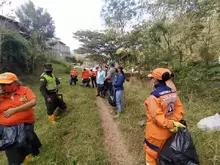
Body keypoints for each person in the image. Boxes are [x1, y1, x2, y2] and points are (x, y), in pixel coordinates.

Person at [145, 68, 185, 165]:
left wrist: (169, 124)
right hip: (170, 134)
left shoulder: (153, 96)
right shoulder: (173, 93)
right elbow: (179, 110)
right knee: (165, 156)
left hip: (155, 135)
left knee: (151, 155)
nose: (151, 80)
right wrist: (173, 123)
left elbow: (156, 117)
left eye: (152, 78)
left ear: (155, 80)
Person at [0, 72, 42, 165]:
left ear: (16, 82)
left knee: (27, 139)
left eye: (7, 84)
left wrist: (15, 110)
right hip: (7, 127)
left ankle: (29, 154)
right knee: (12, 146)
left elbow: (33, 102)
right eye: (2, 84)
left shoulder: (24, 90)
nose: (3, 87)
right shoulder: (1, 96)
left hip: (26, 122)